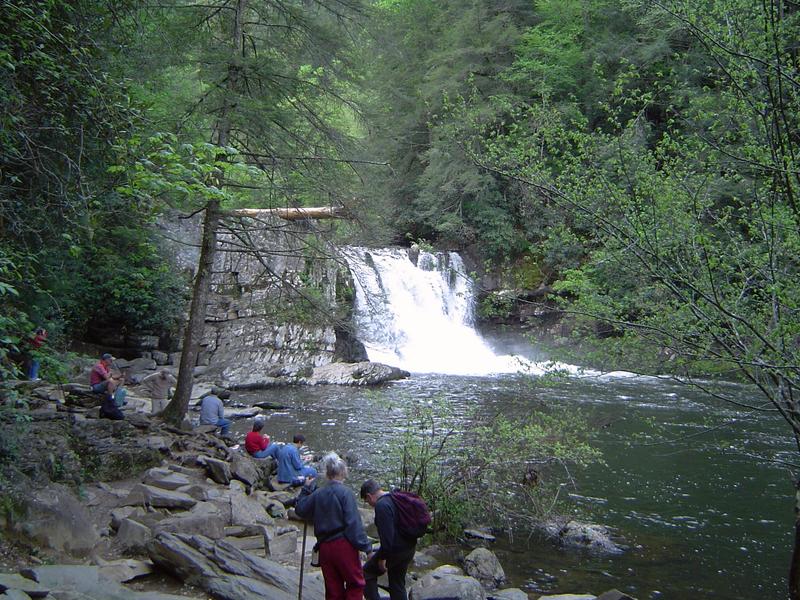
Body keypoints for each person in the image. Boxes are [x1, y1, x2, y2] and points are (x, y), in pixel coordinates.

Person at [295, 453, 371, 600]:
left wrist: (305, 490)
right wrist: (366, 548)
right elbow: (354, 524)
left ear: (327, 474)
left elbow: (301, 510)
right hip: (343, 546)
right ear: (343, 472)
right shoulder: (346, 493)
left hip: (324, 547)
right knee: (355, 584)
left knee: (333, 589)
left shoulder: (318, 493)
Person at [360, 479, 418, 600]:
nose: (369, 505)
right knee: (397, 584)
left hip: (395, 551)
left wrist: (381, 559)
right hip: (409, 547)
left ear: (369, 496)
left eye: (367, 502)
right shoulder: (395, 496)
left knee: (366, 573)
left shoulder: (382, 506)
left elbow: (387, 542)